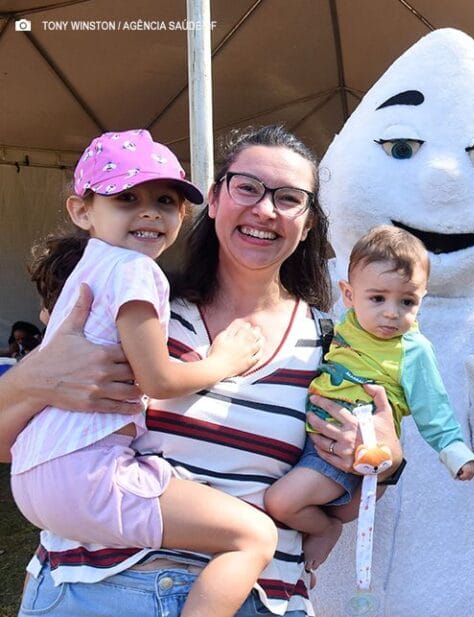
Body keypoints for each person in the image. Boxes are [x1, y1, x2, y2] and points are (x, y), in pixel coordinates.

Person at [0, 125, 404, 617]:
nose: (265, 209)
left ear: (310, 222)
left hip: (257, 599)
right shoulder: (137, 309)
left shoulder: (334, 347)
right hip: (99, 591)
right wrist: (29, 379)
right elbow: (17, 441)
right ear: (213, 200)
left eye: (289, 198)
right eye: (247, 188)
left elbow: (336, 504)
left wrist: (381, 466)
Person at [10, 129, 288, 617]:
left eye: (164, 200)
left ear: (183, 215)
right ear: (82, 211)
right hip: (84, 470)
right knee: (253, 535)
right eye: (126, 198)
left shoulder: (87, 269)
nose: (148, 212)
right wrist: (222, 361)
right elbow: (157, 380)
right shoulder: (136, 270)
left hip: (37, 473)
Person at [265, 225, 474, 570]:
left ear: (422, 299)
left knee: (281, 502)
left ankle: (326, 530)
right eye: (377, 298)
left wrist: (453, 451)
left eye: (407, 301)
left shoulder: (412, 349)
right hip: (310, 439)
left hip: (348, 449)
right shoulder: (342, 326)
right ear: (348, 295)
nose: (392, 312)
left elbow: (433, 407)